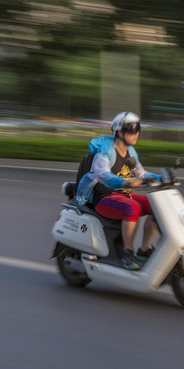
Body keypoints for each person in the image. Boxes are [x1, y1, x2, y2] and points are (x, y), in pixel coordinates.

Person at [76, 111, 161, 269]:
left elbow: (140, 173)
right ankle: (127, 253)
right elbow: (103, 175)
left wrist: (159, 178)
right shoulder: (105, 152)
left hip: (123, 195)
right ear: (119, 132)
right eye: (132, 129)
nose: (137, 133)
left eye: (138, 129)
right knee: (132, 208)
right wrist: (125, 182)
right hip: (104, 198)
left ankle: (145, 249)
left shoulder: (130, 152)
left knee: (157, 205)